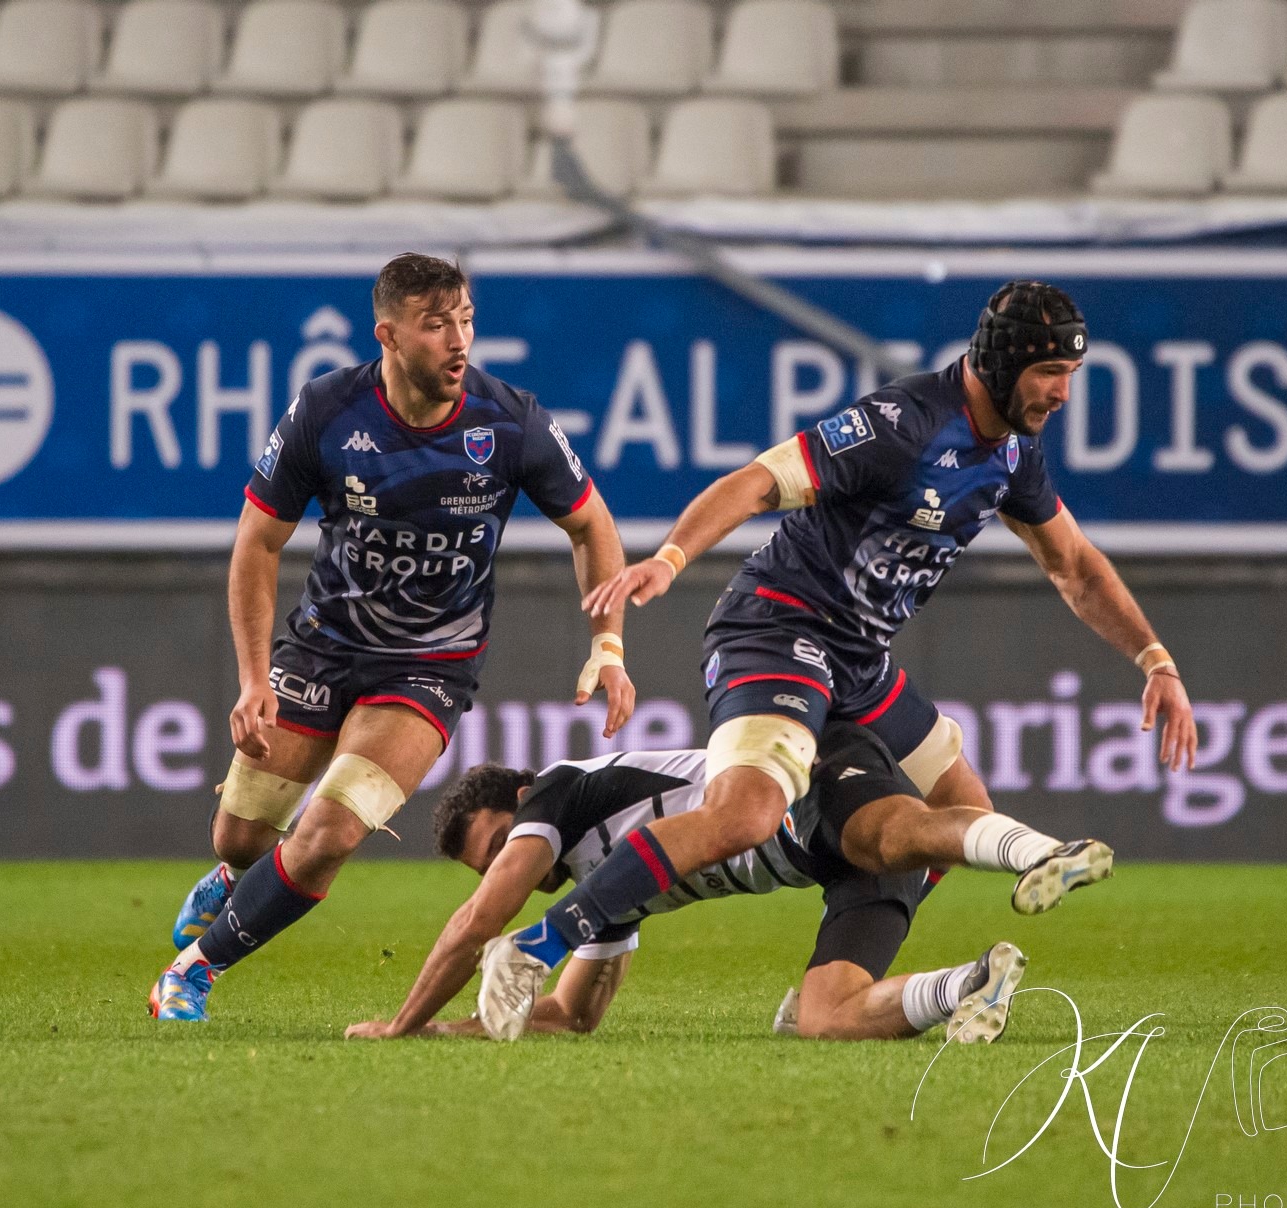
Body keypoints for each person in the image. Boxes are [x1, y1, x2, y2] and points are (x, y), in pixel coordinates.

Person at [479, 281, 1197, 1035]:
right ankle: (537, 945)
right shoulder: (903, 422)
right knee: (745, 815)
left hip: (859, 659)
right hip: (778, 626)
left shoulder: (1015, 453)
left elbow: (1076, 567)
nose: (1062, 393)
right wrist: (671, 557)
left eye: (1072, 375)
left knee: (964, 814)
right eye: (1051, 372)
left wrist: (1156, 661)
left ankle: (833, 995)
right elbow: (759, 481)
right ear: (1003, 360)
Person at [150, 253, 636, 1021]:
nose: (459, 339)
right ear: (388, 334)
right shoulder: (327, 411)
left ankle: (191, 972)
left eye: (467, 320)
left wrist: (607, 645)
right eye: (436, 323)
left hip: (428, 668)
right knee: (244, 840)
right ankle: (231, 877)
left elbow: (592, 525)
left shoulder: (509, 422)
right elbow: (257, 545)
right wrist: (251, 680)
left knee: (330, 832)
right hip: (322, 648)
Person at [346, 722, 1039, 1045]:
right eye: (490, 865)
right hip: (832, 864)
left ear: (523, 800)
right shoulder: (603, 895)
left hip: (816, 784)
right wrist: (451, 1029)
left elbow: (478, 922)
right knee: (827, 1018)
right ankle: (971, 985)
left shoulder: (560, 791)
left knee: (907, 828)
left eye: (500, 848)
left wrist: (401, 1026)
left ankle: (1021, 844)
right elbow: (574, 1015)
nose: (508, 874)